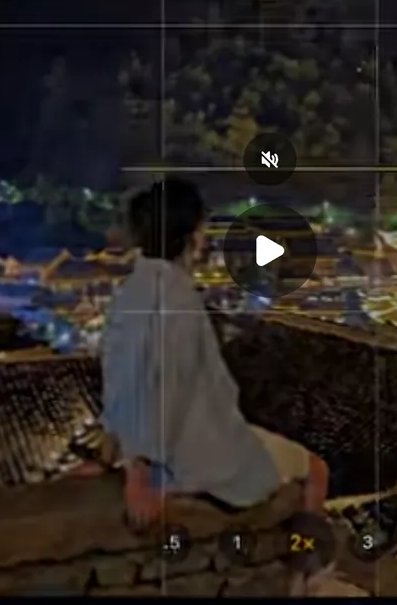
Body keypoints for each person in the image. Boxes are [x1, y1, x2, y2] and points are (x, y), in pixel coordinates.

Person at [99, 177, 329, 530]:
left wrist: (116, 445)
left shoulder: (129, 292)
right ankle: (308, 572)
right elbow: (171, 387)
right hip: (194, 450)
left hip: (141, 441)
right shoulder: (178, 299)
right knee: (314, 469)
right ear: (191, 234)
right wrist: (142, 470)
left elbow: (120, 375)